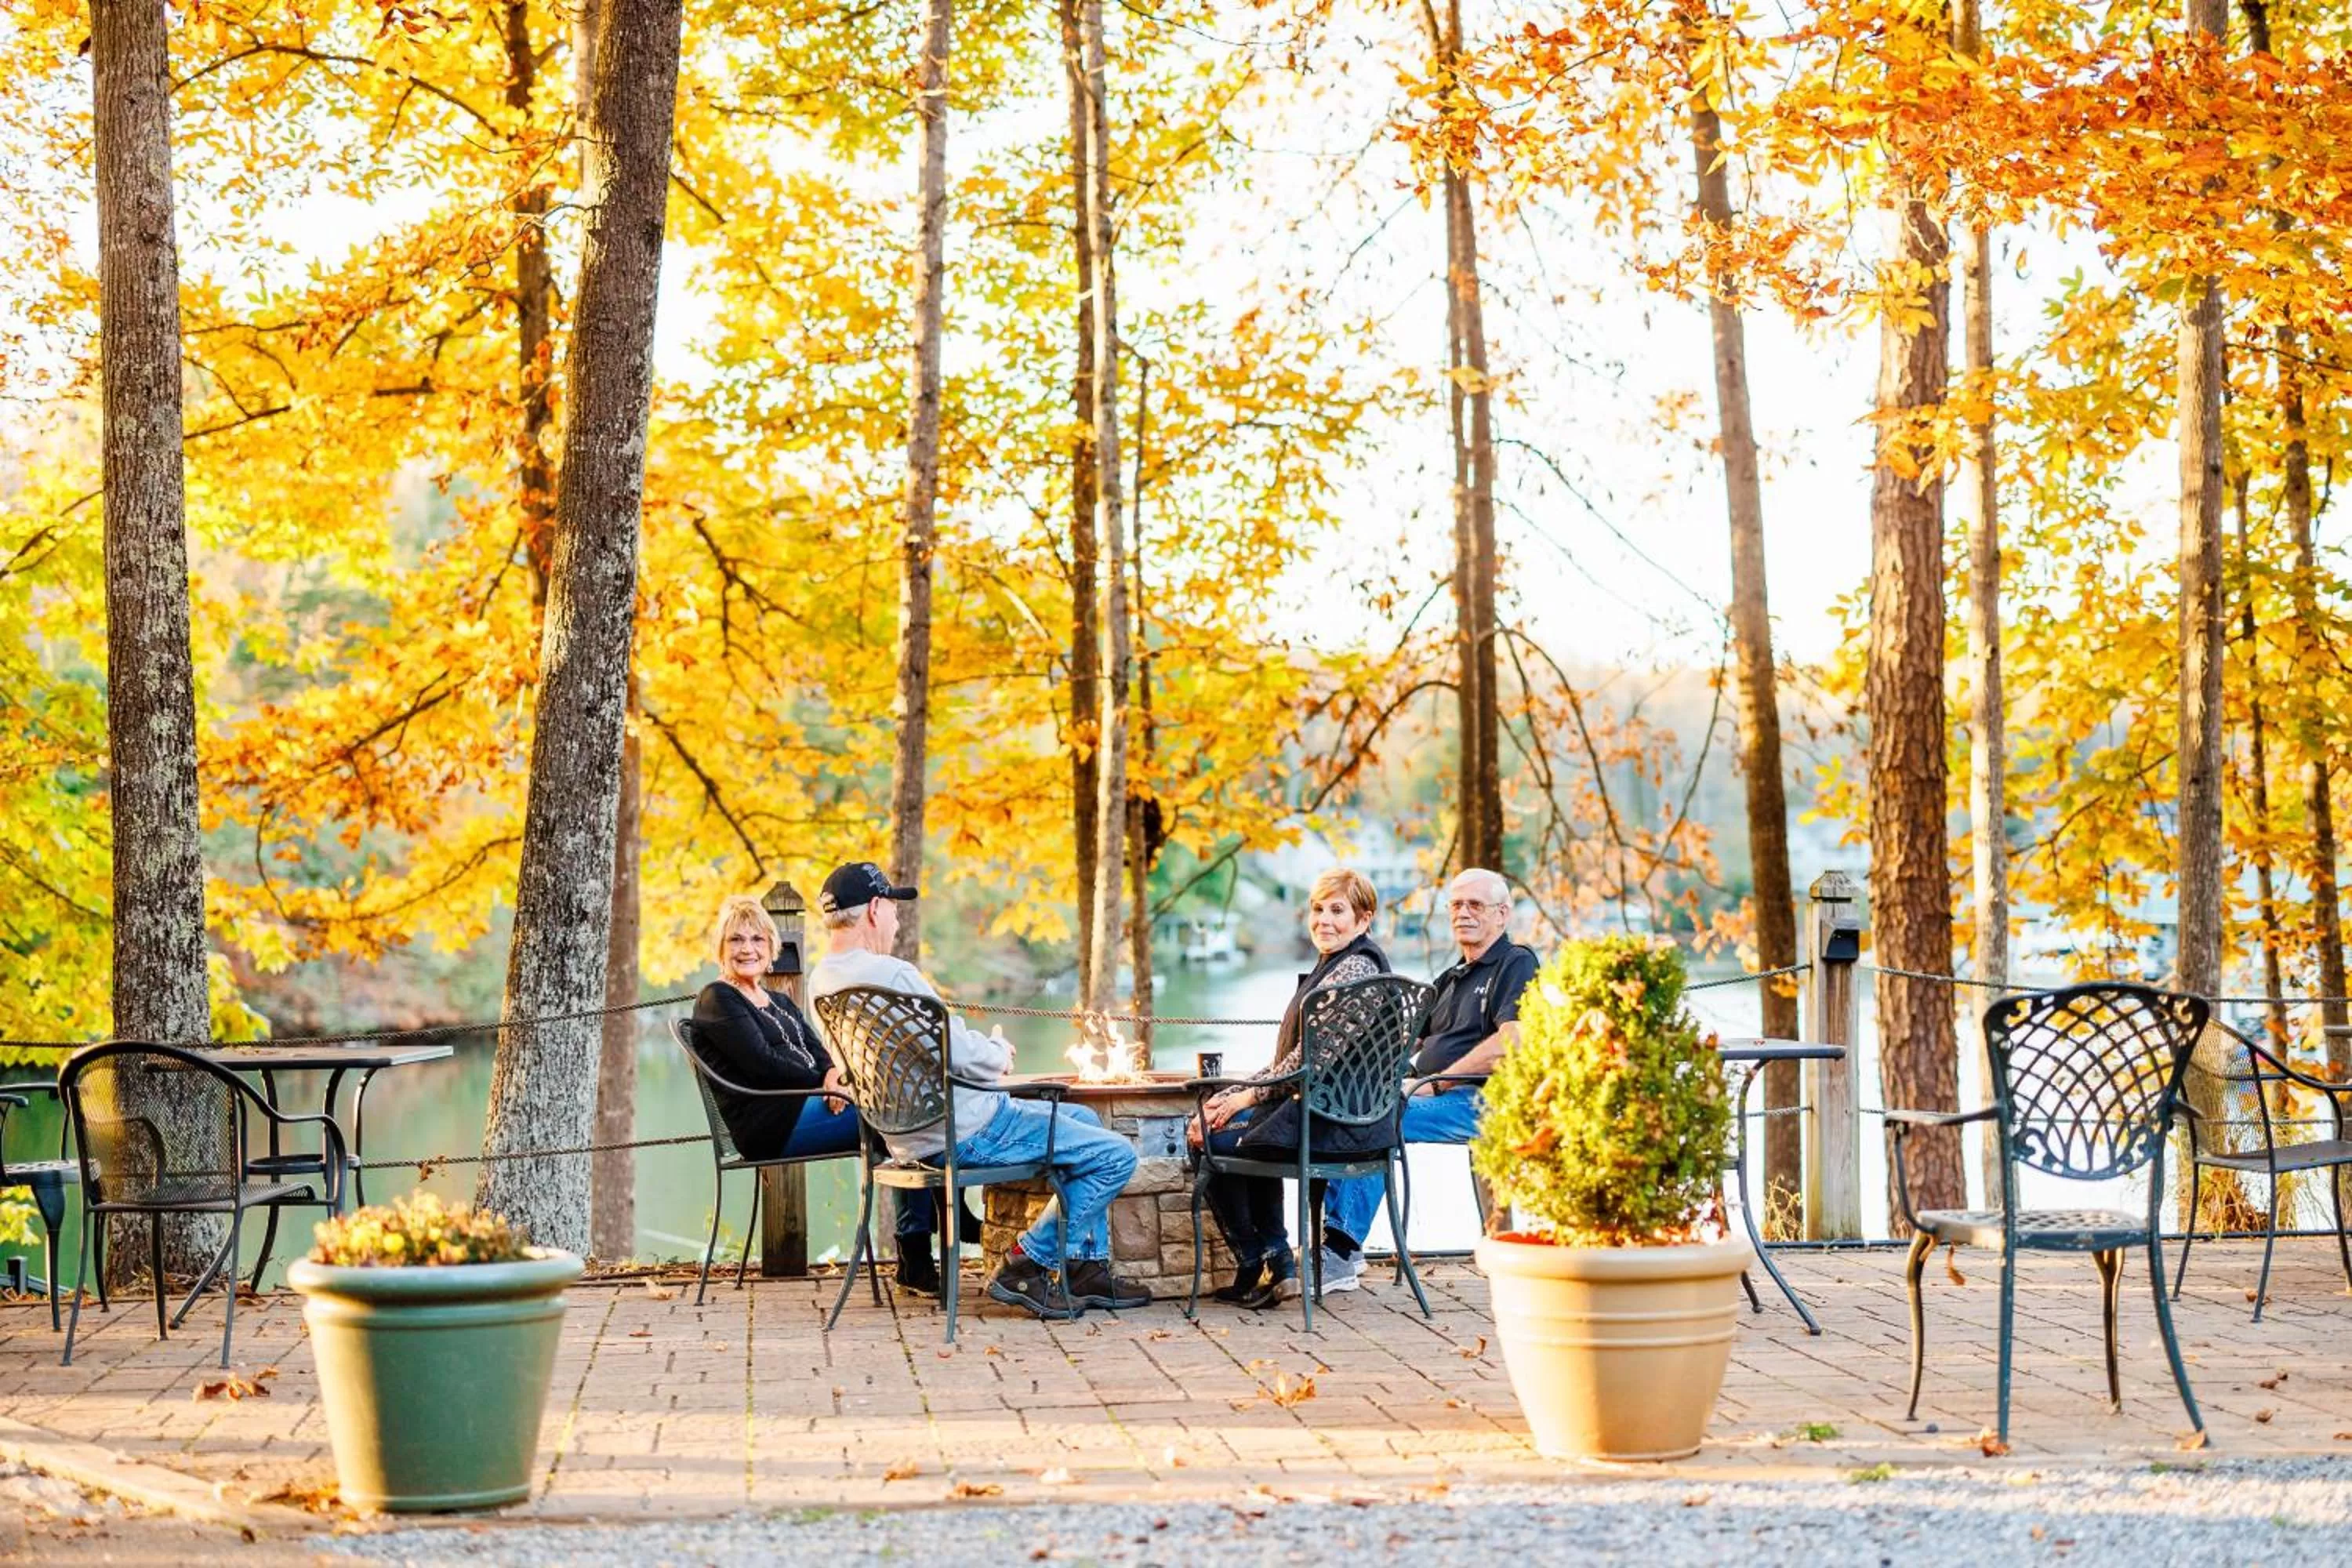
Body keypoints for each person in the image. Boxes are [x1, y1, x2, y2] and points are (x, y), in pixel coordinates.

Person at [807, 861, 1150, 1321]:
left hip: (906, 1137)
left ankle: (1084, 1267)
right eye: (892, 909)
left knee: (1085, 1121)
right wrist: (999, 1052)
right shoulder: (893, 974)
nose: (896, 921)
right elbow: (960, 1054)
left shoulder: (821, 983)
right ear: (873, 909)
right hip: (969, 1129)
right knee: (1116, 1156)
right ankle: (1025, 1264)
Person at [689, 895, 952, 1295]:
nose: (747, 949)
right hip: (769, 1126)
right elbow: (763, 1064)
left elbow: (822, 1052)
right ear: (721, 948)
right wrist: (826, 1082)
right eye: (736, 940)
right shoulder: (717, 998)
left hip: (806, 1106)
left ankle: (921, 1246)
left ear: (772, 947)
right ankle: (927, 1241)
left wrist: (832, 1075)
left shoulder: (779, 1001)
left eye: (757, 939)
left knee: (900, 1114)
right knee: (896, 1118)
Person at [1319, 867, 1537, 1291]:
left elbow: (1512, 1041)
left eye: (1475, 905)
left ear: (1502, 914)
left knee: (1382, 1116)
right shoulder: (1452, 978)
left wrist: (1436, 1083)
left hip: (1485, 1100)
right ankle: (1330, 1244)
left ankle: (1341, 1250)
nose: (1463, 913)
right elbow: (1398, 1045)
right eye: (1456, 905)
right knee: (1348, 1107)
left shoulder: (1516, 962)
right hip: (1429, 1093)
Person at [1189, 868, 1388, 1308]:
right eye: (1318, 909)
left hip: (1334, 1127)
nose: (1324, 920)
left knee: (1211, 1138)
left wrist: (1244, 1097)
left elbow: (1308, 1063)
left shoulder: (1355, 969)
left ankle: (1265, 1260)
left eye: (1338, 911)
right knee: (1232, 1126)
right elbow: (1295, 1059)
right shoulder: (1339, 964)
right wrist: (1238, 1091)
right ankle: (1273, 1263)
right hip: (1337, 1117)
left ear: (1364, 919)